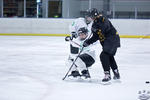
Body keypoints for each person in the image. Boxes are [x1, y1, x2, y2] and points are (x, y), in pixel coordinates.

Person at [83, 8, 121, 83]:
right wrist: (88, 42)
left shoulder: (103, 19)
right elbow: (96, 36)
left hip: (112, 40)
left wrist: (97, 30)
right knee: (109, 56)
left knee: (104, 55)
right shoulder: (94, 24)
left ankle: (107, 75)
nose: (87, 18)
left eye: (89, 16)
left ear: (94, 15)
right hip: (107, 41)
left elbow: (104, 28)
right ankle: (116, 73)